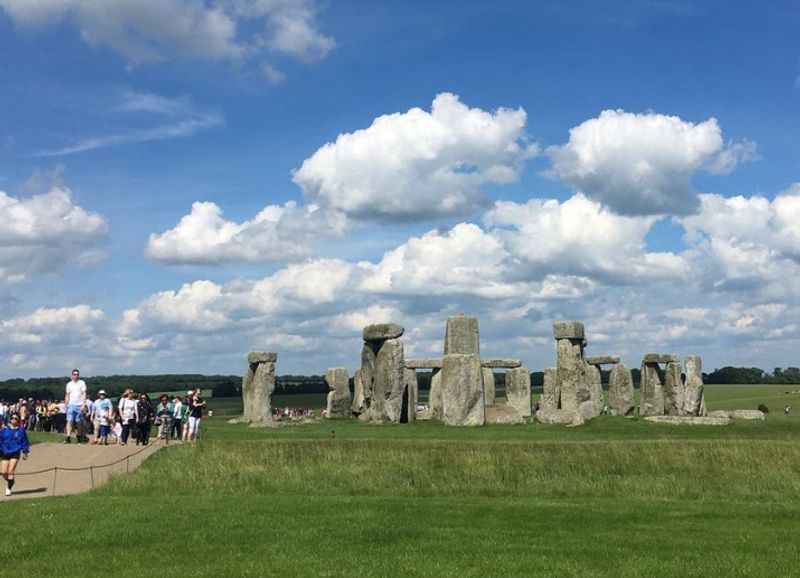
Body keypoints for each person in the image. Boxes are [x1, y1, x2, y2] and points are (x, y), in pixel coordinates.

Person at [0, 414, 30, 496]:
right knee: (3, 472)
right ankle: (11, 481)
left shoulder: (21, 430)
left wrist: (25, 452)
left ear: (18, 420)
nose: (13, 419)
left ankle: (9, 488)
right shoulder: (4, 430)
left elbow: (25, 441)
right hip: (4, 452)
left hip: (15, 452)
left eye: (16, 418)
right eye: (12, 418)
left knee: (10, 471)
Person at [64, 368, 87, 444]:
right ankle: (68, 437)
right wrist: (66, 404)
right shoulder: (69, 384)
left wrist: (83, 404)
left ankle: (79, 437)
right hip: (71, 404)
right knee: (69, 421)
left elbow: (84, 394)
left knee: (78, 422)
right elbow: (67, 395)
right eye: (74, 374)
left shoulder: (82, 383)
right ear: (72, 375)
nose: (76, 376)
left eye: (77, 374)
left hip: (79, 405)